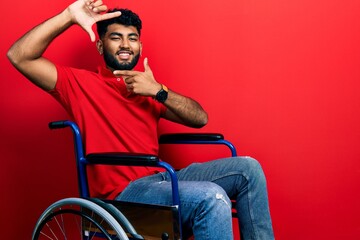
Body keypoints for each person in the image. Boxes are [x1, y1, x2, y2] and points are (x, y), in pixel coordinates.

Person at [7, 0, 274, 239]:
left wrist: (158, 91)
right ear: (101, 44)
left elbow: (200, 118)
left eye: (132, 38)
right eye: (116, 37)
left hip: (161, 180)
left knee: (249, 169)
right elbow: (19, 56)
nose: (125, 44)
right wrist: (68, 15)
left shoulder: (149, 87)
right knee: (210, 197)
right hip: (125, 195)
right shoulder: (78, 84)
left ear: (140, 46)